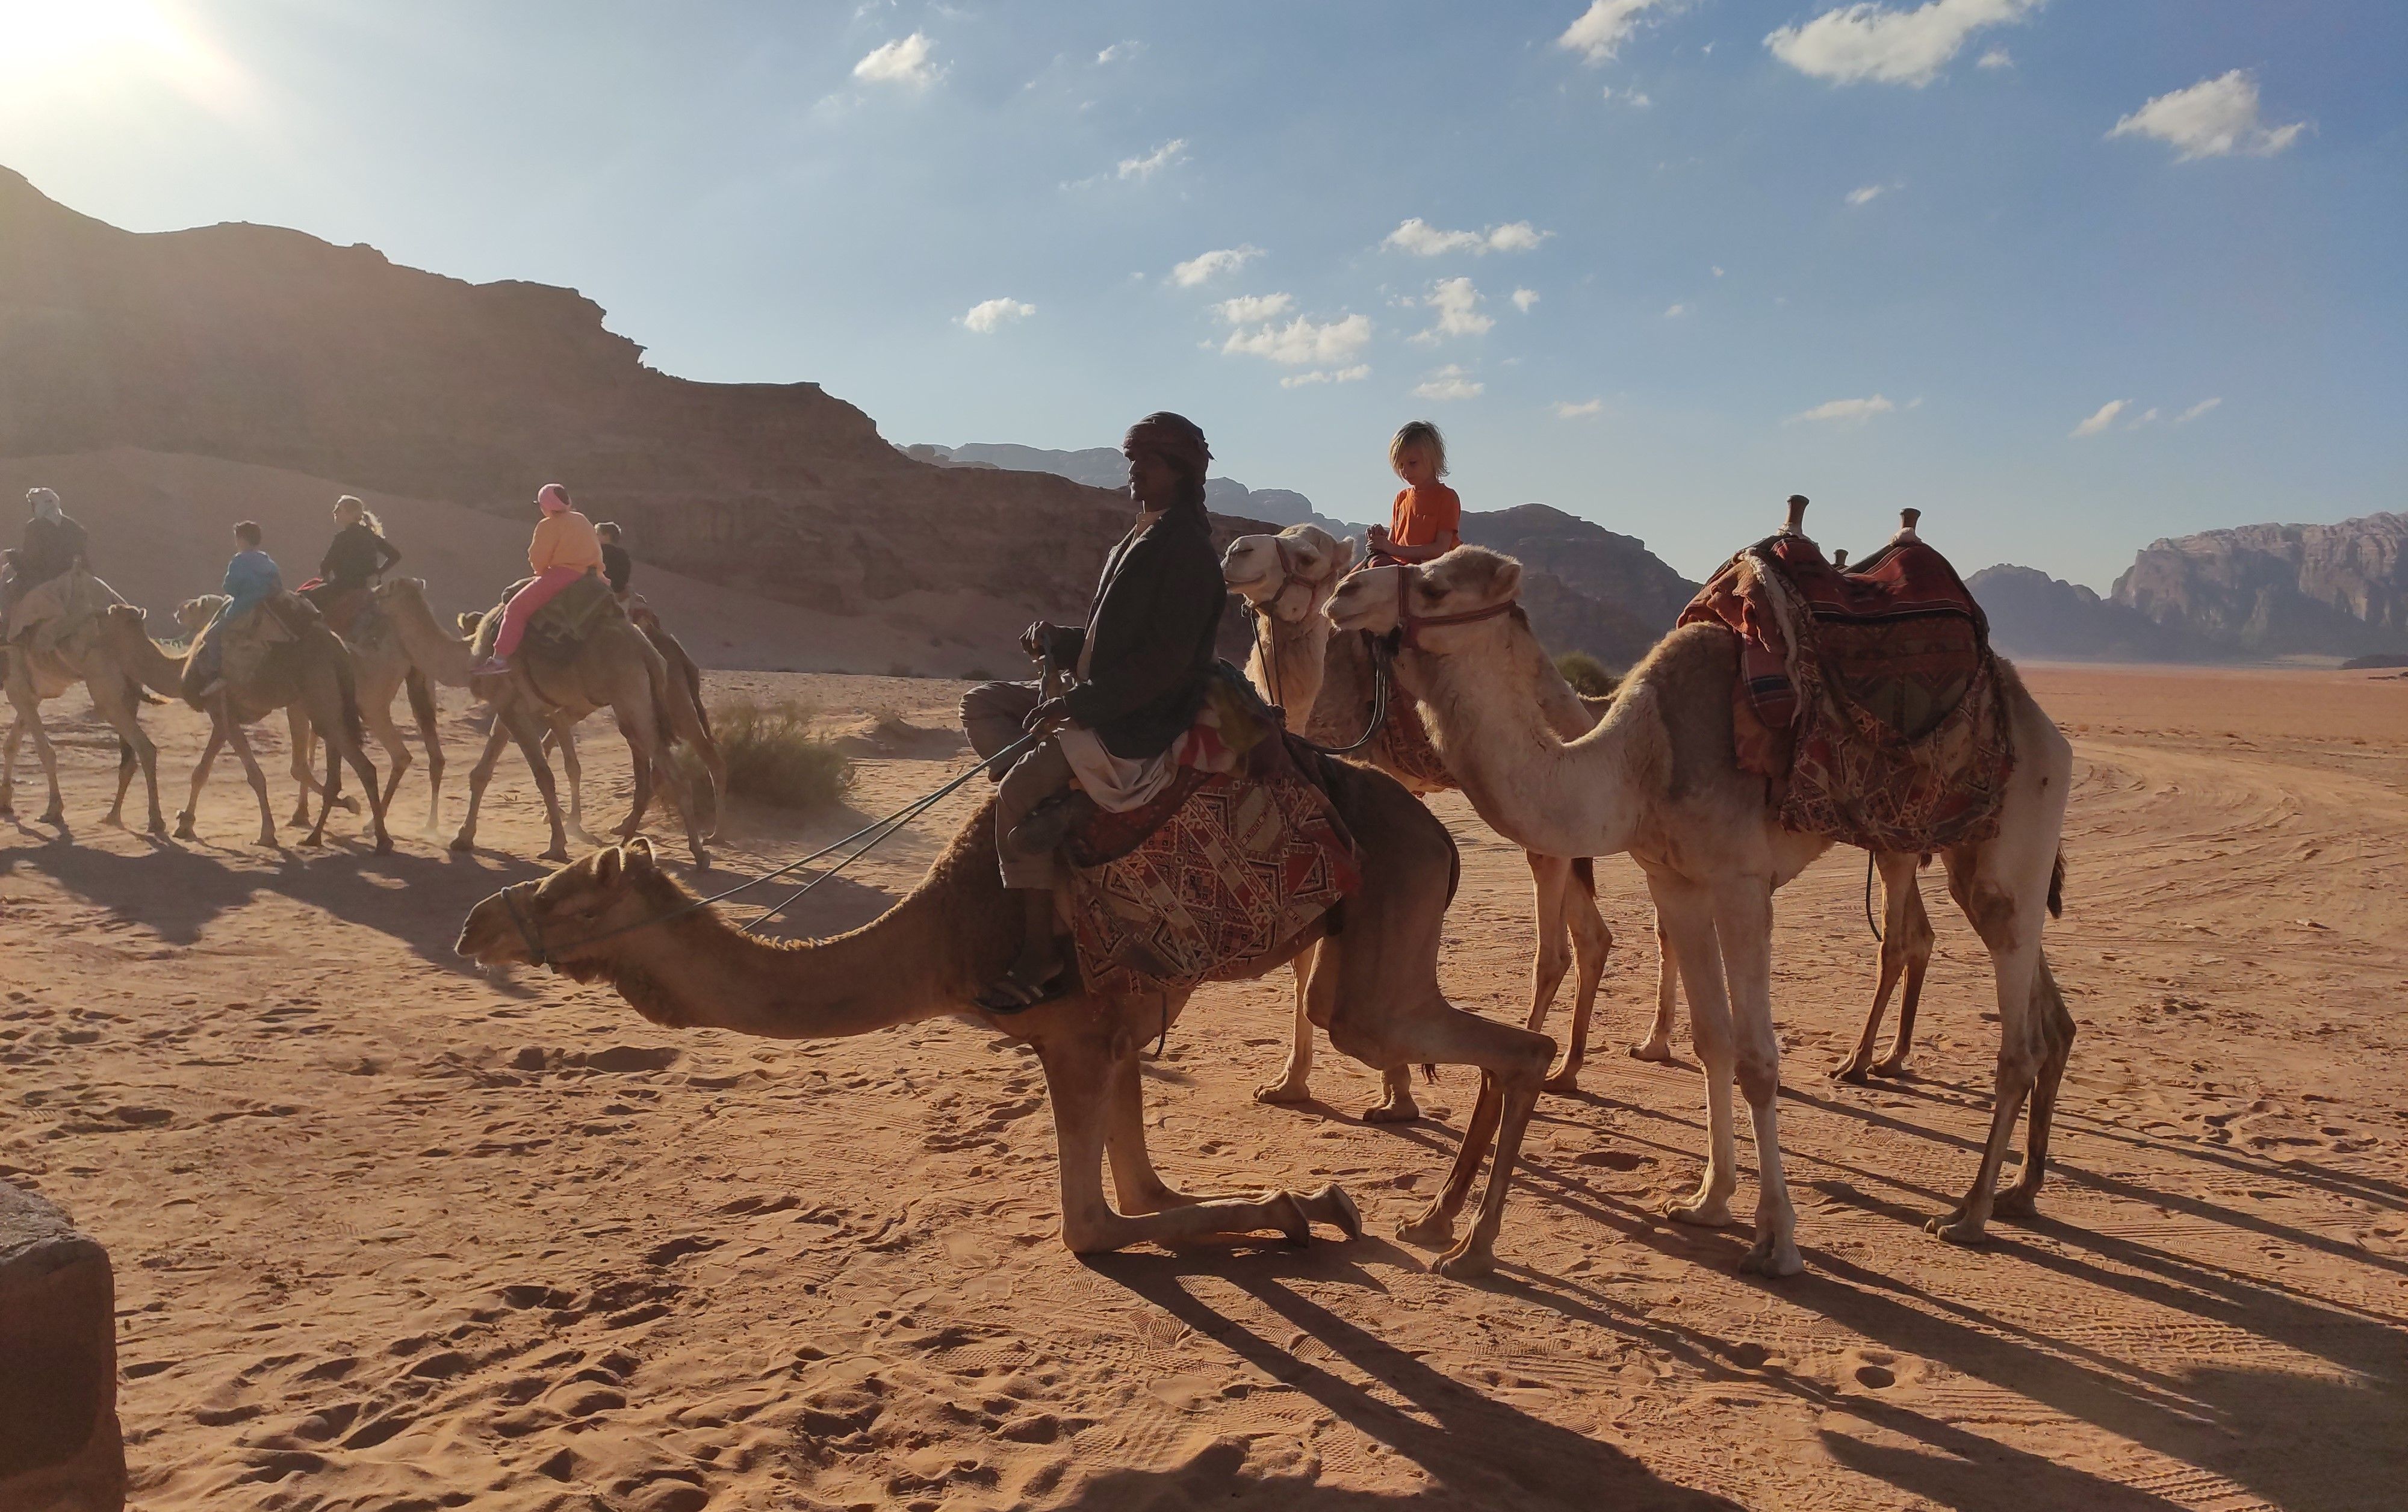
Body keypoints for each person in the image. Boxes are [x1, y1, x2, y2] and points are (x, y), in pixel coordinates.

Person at [957, 412, 1227, 1012]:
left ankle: (1039, 952)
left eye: (1147, 462)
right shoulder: (1142, 535)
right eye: (1133, 460)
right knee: (982, 704)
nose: (1133, 471)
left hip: (1137, 721)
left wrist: (1076, 704)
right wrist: (1064, 640)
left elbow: (1163, 662)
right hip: (1095, 699)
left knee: (1016, 793)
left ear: (1178, 472)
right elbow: (1117, 639)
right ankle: (1063, 807)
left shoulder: (1184, 551)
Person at [473, 483, 603, 676]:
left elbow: (538, 557)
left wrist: (541, 572)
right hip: (591, 576)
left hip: (561, 575)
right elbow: (597, 552)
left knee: (516, 609)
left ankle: (500, 659)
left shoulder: (548, 525)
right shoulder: (581, 519)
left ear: (547, 505)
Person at [187, 521, 284, 701]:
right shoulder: (267, 561)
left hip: (244, 609)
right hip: (268, 611)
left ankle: (216, 676)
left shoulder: (239, 561)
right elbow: (278, 585)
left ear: (242, 540)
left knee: (211, 635)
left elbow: (230, 587)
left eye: (237, 539)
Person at [1364, 419, 1461, 566]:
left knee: (1377, 565)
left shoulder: (1446, 498)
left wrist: (1393, 548)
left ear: (1432, 459)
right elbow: (1393, 543)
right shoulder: (1401, 499)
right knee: (1364, 569)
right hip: (1402, 569)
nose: (1405, 471)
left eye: (1412, 463)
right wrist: (1380, 541)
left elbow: (1440, 549)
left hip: (1436, 572)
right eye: (1401, 465)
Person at [5, 487, 92, 639]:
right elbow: (84, 559)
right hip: (73, 578)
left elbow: (31, 562)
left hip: (43, 579)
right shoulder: (75, 528)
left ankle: (7, 636)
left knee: (7, 590)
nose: (33, 509)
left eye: (34, 505)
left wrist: (10, 557)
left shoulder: (35, 527)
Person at [306, 495, 401, 607]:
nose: (334, 512)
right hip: (370, 588)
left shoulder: (343, 537)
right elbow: (395, 555)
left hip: (344, 588)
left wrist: (325, 578)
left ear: (350, 514)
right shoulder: (371, 535)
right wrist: (377, 573)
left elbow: (325, 567)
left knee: (306, 599)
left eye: (339, 509)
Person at [596, 521, 634, 599]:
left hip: (600, 595)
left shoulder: (598, 553)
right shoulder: (624, 555)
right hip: (620, 596)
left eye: (597, 534)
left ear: (607, 536)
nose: (594, 537)